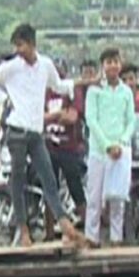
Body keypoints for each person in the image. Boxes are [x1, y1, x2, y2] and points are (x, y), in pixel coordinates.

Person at [0, 24, 86, 248]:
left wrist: (83, 83)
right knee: (17, 182)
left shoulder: (45, 65)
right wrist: (5, 99)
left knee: (48, 178)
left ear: (32, 44)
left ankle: (64, 223)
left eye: (21, 45)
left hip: (36, 133)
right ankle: (24, 230)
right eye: (16, 46)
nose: (18, 50)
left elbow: (59, 85)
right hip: (16, 132)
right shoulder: (12, 67)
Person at [84, 48, 136, 247]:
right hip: (99, 150)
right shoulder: (94, 89)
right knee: (95, 196)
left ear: (120, 64)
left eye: (115, 61)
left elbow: (131, 120)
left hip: (121, 151)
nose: (112, 65)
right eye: (108, 62)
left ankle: (116, 238)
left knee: (118, 197)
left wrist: (122, 141)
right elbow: (91, 119)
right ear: (102, 66)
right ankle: (92, 237)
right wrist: (106, 145)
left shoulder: (126, 92)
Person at [43, 59, 95, 227]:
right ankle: (49, 231)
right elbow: (38, 117)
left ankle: (89, 226)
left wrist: (51, 117)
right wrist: (59, 115)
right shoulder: (44, 92)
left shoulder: (73, 90)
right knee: (50, 189)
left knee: (75, 187)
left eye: (60, 71)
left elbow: (72, 117)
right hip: (48, 146)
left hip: (70, 147)